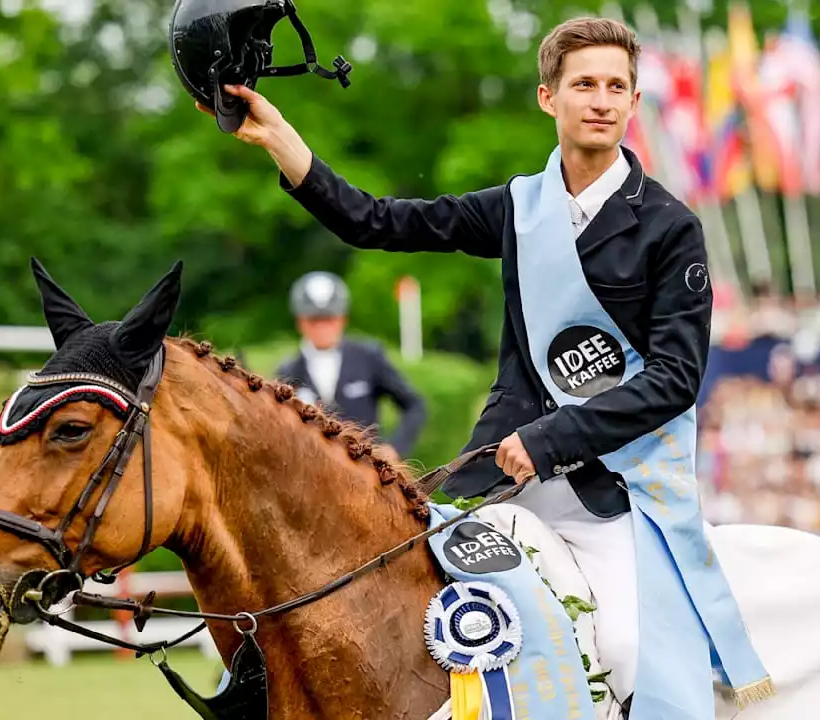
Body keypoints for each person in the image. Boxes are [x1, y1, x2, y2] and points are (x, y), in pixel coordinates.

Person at [199, 15, 771, 717]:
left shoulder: (671, 227)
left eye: (616, 86)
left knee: (625, 648)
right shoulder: (517, 208)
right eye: (583, 84)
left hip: (620, 489)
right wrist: (282, 141)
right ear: (547, 98)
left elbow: (675, 380)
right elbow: (376, 222)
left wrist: (551, 439)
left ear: (633, 103)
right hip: (498, 477)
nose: (600, 99)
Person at [274, 270, 427, 461]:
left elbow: (414, 405)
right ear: (300, 322)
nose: (322, 327)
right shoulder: (288, 372)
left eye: (329, 319)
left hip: (367, 473)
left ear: (342, 319)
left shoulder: (368, 356)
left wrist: (394, 448)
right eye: (314, 320)